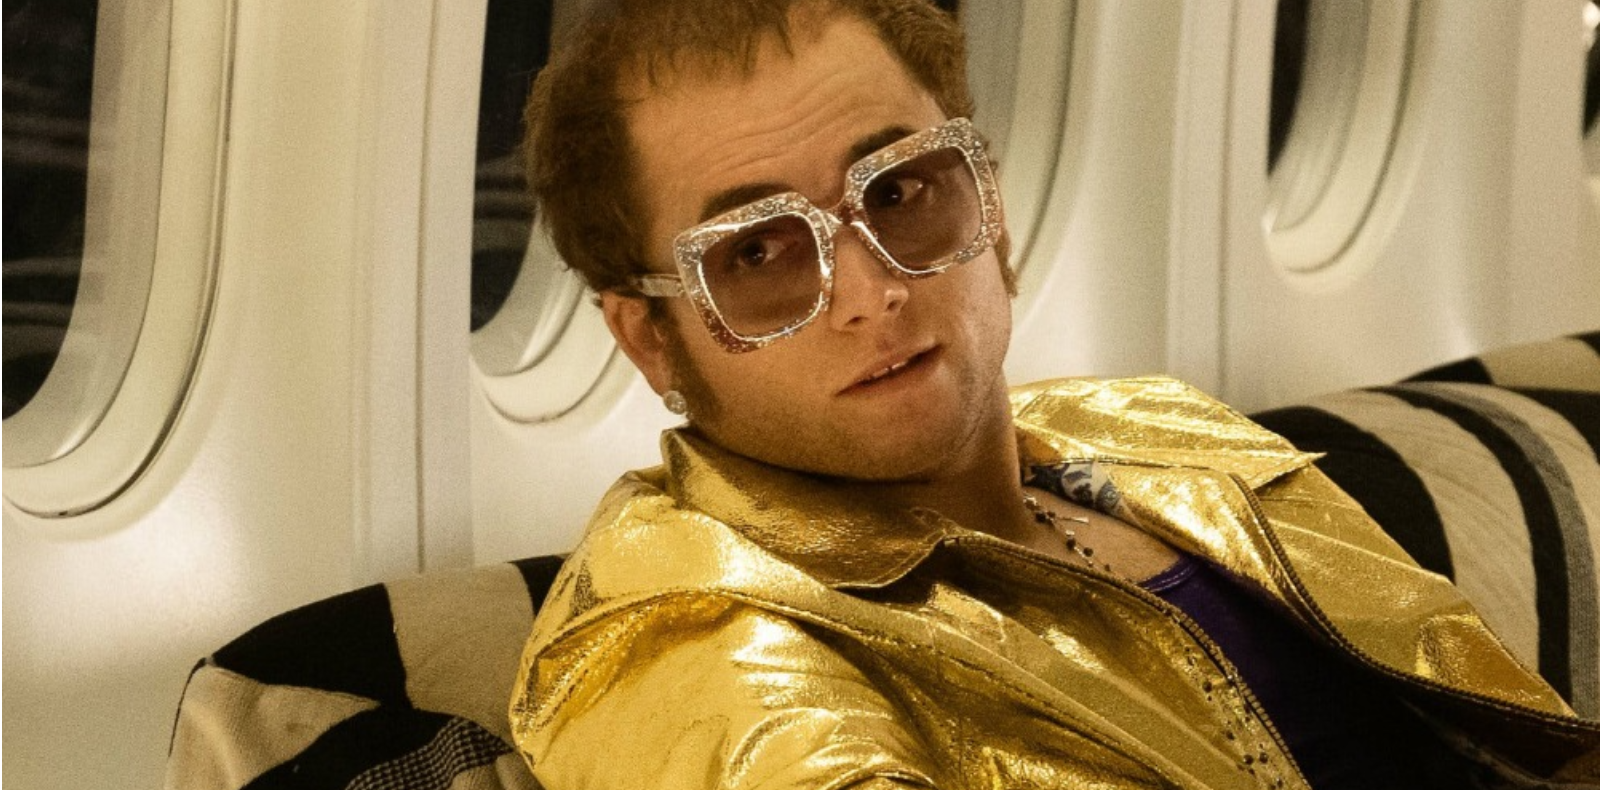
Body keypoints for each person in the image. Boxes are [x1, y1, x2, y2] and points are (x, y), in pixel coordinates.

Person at [508, 1, 1599, 787]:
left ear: (989, 202)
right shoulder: (685, 639)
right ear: (650, 339)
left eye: (902, 189)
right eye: (757, 255)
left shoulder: (1147, 425)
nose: (871, 292)